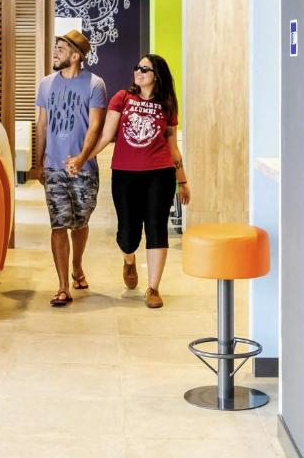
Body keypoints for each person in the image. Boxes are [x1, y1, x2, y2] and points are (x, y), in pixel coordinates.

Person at [71, 53, 189, 309]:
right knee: (128, 234)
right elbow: (105, 136)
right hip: (125, 174)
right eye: (137, 67)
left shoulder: (167, 104)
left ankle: (153, 288)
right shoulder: (122, 98)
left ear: (156, 75)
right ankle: (129, 259)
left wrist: (182, 180)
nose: (138, 72)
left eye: (144, 69)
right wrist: (82, 159)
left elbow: (172, 147)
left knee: (157, 228)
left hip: (160, 173)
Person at [29, 29, 107, 308]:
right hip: (53, 166)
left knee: (81, 222)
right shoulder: (46, 84)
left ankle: (77, 265)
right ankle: (63, 285)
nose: (55, 53)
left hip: (84, 168)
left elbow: (96, 126)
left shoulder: (95, 84)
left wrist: (82, 157)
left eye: (61, 49)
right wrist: (38, 163)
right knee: (59, 224)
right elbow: (41, 124)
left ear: (76, 55)